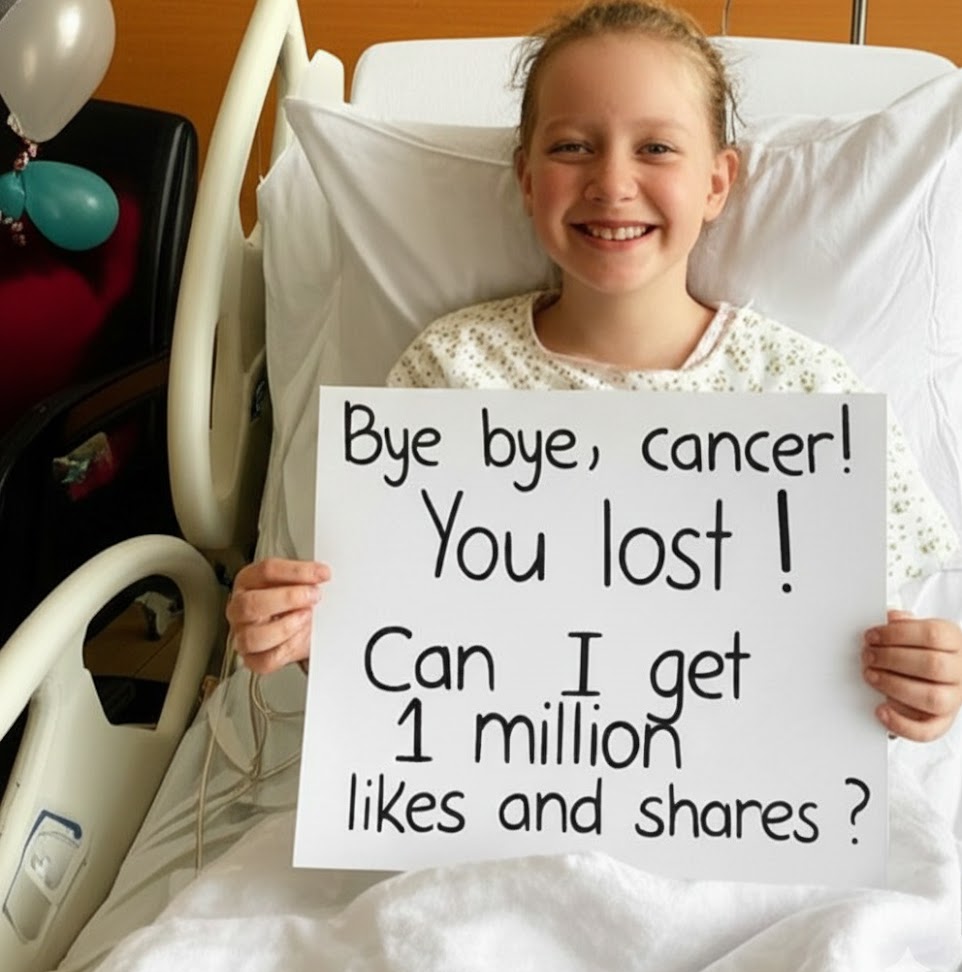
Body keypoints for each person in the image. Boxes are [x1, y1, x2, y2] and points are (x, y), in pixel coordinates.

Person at [226, 0, 962, 743]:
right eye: (573, 147)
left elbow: (855, 656)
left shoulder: (805, 395)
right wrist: (304, 636)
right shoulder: (451, 369)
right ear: (526, 179)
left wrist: (922, 687)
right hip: (491, 778)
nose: (612, 183)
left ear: (717, 182)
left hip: (735, 791)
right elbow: (389, 642)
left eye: (657, 148)